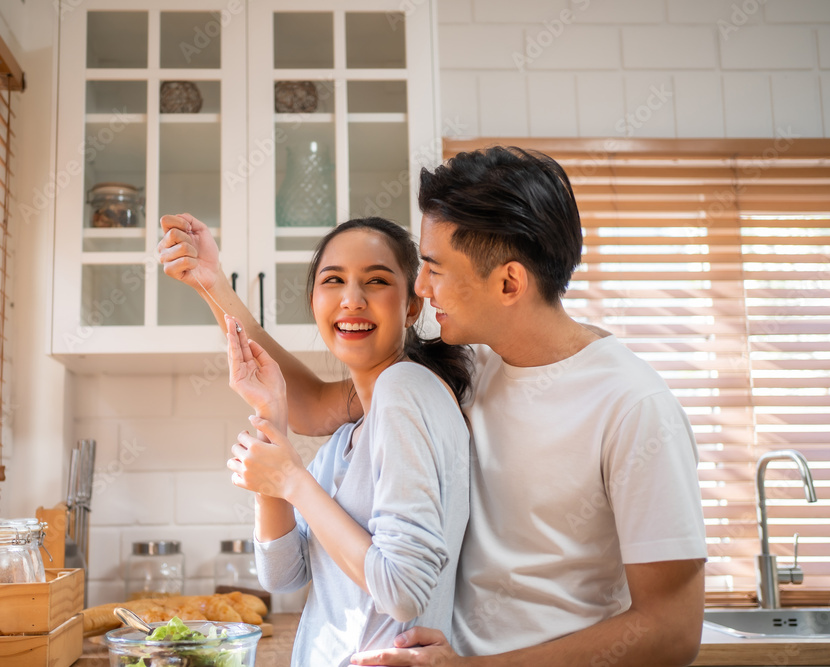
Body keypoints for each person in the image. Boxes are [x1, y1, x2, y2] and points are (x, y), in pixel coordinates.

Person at [157, 146, 708, 667]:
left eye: (435, 268)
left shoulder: (634, 408)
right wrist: (213, 286)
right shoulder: (466, 370)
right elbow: (312, 403)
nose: (419, 286)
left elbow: (671, 630)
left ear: (509, 282)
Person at [218, 218, 472, 667]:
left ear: (412, 306)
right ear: (315, 301)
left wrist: (292, 481)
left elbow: (403, 591)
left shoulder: (407, 386)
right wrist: (271, 420)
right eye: (333, 280)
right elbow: (282, 575)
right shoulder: (344, 441)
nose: (352, 300)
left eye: (376, 281)